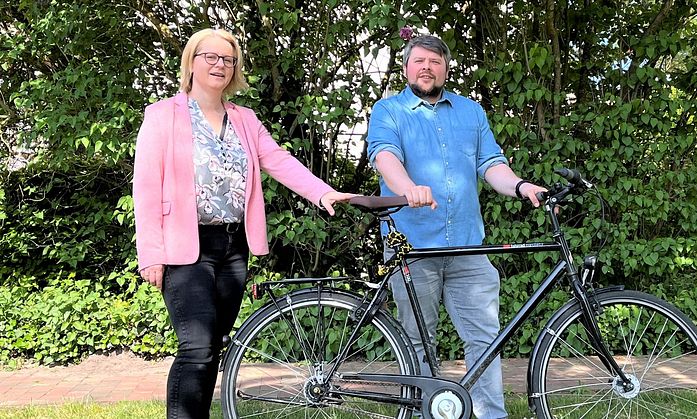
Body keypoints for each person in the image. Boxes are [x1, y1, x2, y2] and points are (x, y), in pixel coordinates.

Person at [133, 28, 354, 419]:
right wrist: (151, 254)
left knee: (212, 346)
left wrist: (322, 193)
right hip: (186, 248)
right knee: (196, 346)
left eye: (228, 59)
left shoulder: (245, 119)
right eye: (211, 57)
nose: (220, 65)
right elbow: (146, 186)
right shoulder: (162, 115)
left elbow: (278, 161)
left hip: (233, 248)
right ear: (192, 61)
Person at [367, 34, 546, 418]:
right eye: (419, 61)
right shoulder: (389, 110)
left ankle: (489, 415)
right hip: (412, 246)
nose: (426, 68)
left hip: (468, 248)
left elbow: (490, 165)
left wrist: (520, 186)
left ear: (446, 68)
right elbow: (385, 157)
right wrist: (408, 189)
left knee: (485, 340)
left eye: (434, 61)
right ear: (406, 68)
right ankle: (421, 413)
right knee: (417, 342)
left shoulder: (470, 112)